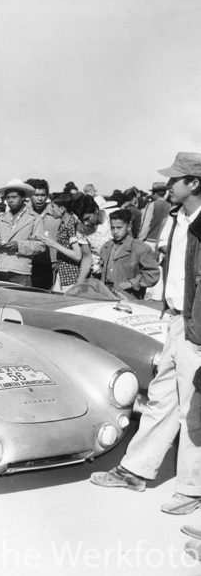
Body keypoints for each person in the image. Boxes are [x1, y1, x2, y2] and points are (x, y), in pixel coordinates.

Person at [91, 152, 201, 521]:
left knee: (193, 410)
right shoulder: (180, 219)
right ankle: (136, 470)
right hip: (174, 320)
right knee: (161, 399)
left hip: (194, 326)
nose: (169, 185)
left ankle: (191, 488)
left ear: (194, 184)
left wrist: (196, 330)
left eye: (175, 180)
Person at [0, 179, 45, 286]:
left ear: (23, 198)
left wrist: (18, 245)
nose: (10, 201)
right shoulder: (3, 218)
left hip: (21, 270)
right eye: (8, 197)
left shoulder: (34, 218)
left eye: (14, 197)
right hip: (2, 268)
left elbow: (40, 245)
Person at [97, 209, 160, 299]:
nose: (115, 232)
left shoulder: (141, 248)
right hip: (106, 295)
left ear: (129, 226)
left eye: (119, 228)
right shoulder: (106, 247)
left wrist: (132, 283)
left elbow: (152, 275)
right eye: (112, 227)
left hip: (129, 297)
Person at [40, 193, 91, 292]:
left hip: (71, 277)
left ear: (62, 209)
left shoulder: (72, 225)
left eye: (53, 207)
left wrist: (54, 244)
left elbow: (77, 256)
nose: (51, 210)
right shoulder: (64, 224)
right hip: (62, 275)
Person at [27, 178, 59, 290]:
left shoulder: (57, 213)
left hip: (52, 266)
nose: (40, 199)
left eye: (43, 195)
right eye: (36, 195)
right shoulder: (25, 215)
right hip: (30, 264)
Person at [138, 182, 172, 250]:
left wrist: (139, 240)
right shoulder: (170, 206)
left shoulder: (151, 205)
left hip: (149, 241)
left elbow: (145, 224)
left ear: (155, 193)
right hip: (163, 243)